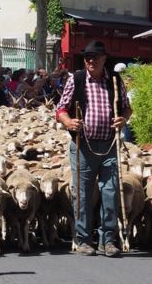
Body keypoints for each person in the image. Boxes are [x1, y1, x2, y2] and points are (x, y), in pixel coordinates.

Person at [56, 40, 131, 257]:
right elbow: (61, 108)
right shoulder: (77, 79)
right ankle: (83, 239)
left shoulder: (115, 81)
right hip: (83, 146)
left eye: (95, 57)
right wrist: (69, 122)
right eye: (88, 58)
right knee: (83, 194)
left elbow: (126, 108)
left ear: (104, 60)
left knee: (110, 192)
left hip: (109, 145)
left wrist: (123, 120)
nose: (91, 61)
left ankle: (107, 240)